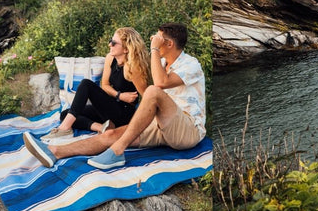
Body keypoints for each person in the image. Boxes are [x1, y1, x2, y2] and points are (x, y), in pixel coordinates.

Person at [23, 22, 206, 170]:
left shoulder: (192, 65)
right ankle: (54, 151)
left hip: (188, 130)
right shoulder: (163, 62)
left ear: (169, 44)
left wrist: (154, 50)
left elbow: (159, 84)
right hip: (163, 125)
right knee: (112, 134)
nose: (153, 40)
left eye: (158, 38)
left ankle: (118, 151)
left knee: (152, 91)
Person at [44, 27, 150, 140]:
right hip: (110, 107)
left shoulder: (133, 68)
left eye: (114, 43)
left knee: (86, 84)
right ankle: (102, 128)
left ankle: (64, 129)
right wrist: (119, 95)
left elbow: (147, 96)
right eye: (110, 40)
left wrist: (140, 123)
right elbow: (104, 85)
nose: (109, 44)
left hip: (123, 114)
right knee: (65, 114)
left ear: (126, 49)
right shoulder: (110, 58)